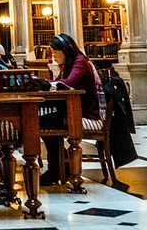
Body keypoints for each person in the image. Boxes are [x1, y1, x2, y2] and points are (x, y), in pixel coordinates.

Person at [40, 33, 102, 185]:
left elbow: (69, 83)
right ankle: (61, 165)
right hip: (75, 111)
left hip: (88, 114)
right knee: (44, 121)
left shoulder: (80, 62)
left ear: (66, 51)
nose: (53, 57)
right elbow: (61, 82)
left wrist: (48, 84)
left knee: (46, 123)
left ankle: (59, 168)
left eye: (55, 52)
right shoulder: (69, 64)